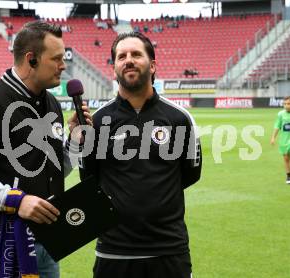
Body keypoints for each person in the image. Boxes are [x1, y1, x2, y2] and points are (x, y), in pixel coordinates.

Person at [0, 21, 91, 278]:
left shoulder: (52, 104)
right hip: (0, 240)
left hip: (47, 235)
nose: (63, 65)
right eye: (56, 58)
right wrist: (17, 200)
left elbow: (54, 170)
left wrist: (75, 142)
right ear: (31, 60)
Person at [80, 32, 202, 278]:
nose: (128, 60)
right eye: (121, 56)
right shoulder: (98, 121)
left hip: (169, 250)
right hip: (114, 251)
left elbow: (190, 174)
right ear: (114, 68)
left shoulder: (179, 118)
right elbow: (89, 179)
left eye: (136, 54)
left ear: (153, 65)